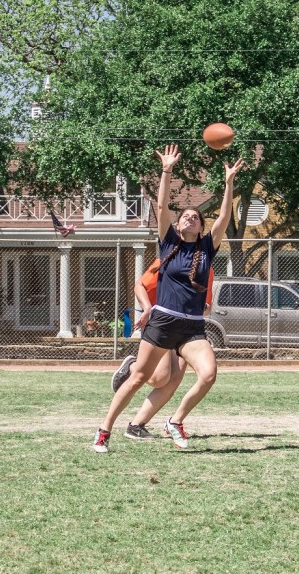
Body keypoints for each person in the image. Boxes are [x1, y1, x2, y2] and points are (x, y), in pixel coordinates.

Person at [93, 144, 242, 453]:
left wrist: (228, 183)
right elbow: (161, 208)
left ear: (201, 226)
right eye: (185, 216)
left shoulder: (206, 250)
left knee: (209, 374)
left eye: (195, 217)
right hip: (163, 321)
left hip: (192, 327)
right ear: (177, 225)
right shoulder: (169, 245)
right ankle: (103, 431)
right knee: (138, 379)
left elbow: (224, 217)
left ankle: (174, 421)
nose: (190, 218)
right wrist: (167, 170)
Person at [110, 260, 214, 440]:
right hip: (161, 324)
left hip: (187, 328)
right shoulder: (171, 260)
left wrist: (199, 307)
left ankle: (136, 426)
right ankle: (133, 367)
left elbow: (207, 306)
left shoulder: (208, 269)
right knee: (160, 377)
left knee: (173, 380)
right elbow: (140, 285)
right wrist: (148, 309)